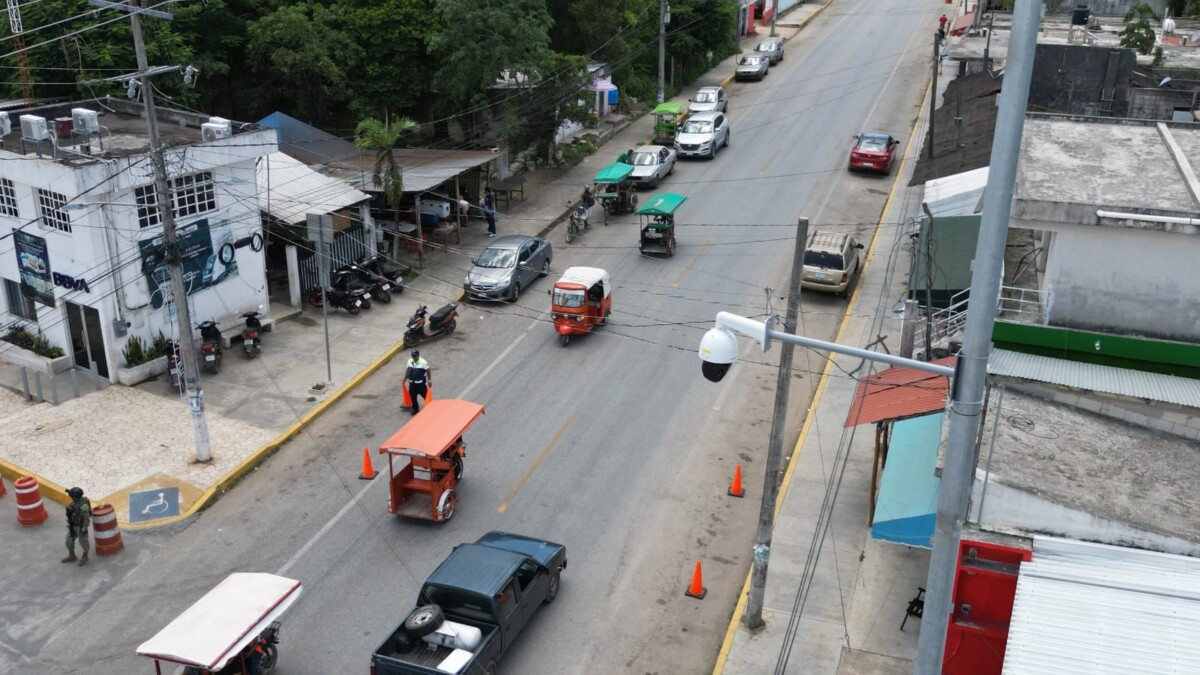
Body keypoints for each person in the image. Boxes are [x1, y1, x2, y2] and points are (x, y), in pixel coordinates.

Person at [62, 487, 92, 566]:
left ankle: (85, 556)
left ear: (75, 497)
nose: (71, 498)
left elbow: (86, 518)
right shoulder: (74, 502)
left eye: (72, 496)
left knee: (83, 542)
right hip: (73, 525)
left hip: (81, 526)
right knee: (68, 541)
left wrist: (84, 529)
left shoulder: (83, 505)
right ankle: (72, 556)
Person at [405, 349, 430, 414]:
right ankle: (415, 409)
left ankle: (430, 406)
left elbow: (428, 371)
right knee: (413, 397)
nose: (414, 357)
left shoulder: (423, 362)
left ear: (418, 355)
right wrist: (404, 379)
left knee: (426, 396)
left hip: (421, 384)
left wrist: (429, 380)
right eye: (412, 356)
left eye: (415, 356)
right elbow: (408, 370)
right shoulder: (409, 361)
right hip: (412, 384)